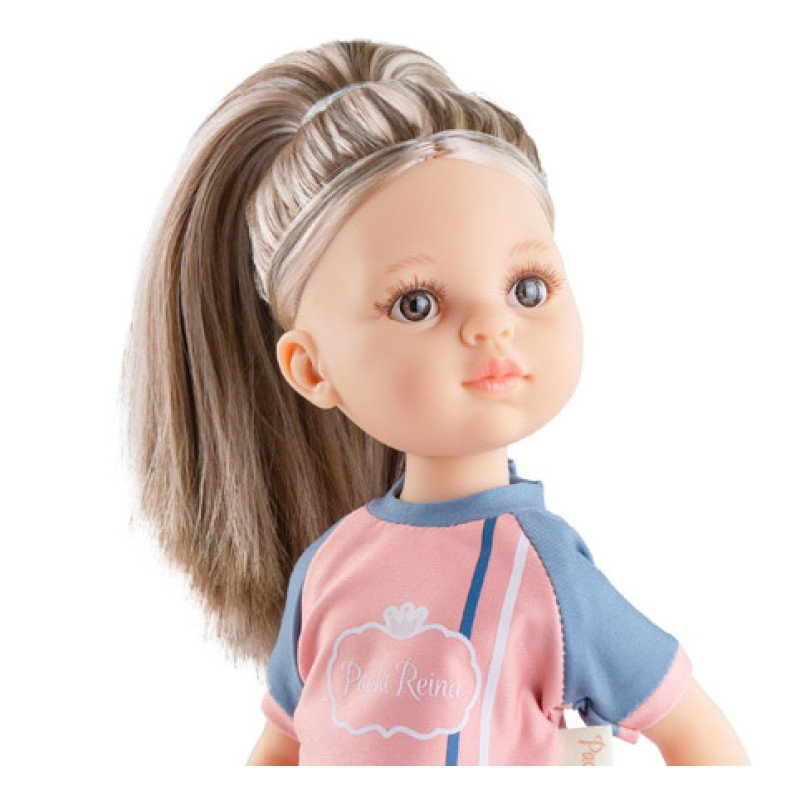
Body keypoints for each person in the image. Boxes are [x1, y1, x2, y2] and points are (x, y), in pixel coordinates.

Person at [122, 39, 749, 766]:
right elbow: (282, 745)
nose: (492, 327)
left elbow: (697, 734)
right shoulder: (329, 567)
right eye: (416, 304)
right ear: (311, 368)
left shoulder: (547, 574)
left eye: (527, 288)